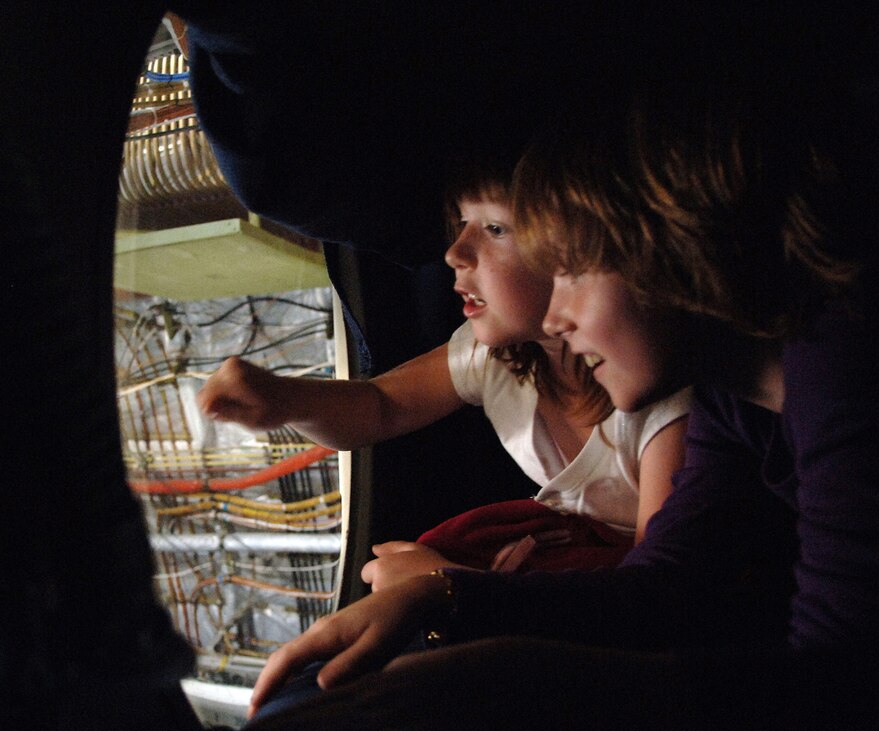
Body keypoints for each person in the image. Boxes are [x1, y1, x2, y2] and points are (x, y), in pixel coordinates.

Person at [237, 70, 879, 731]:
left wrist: (516, 679)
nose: (552, 321)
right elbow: (669, 586)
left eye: (570, 269)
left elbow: (842, 691)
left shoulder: (849, 353)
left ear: (664, 244)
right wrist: (439, 597)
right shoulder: (731, 402)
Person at [197, 162, 691, 592]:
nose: (455, 251)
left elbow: (645, 594)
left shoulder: (664, 411)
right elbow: (380, 406)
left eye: (495, 229)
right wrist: (284, 400)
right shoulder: (498, 357)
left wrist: (450, 586)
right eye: (460, 223)